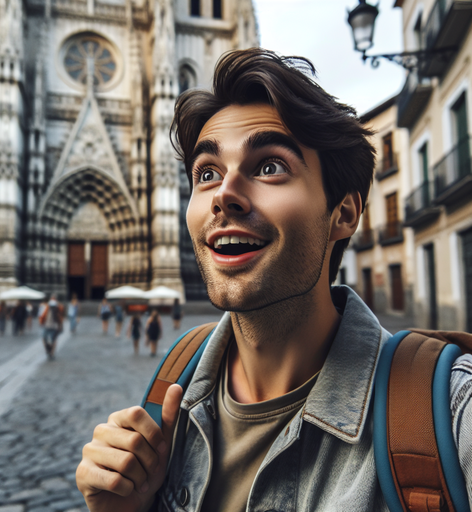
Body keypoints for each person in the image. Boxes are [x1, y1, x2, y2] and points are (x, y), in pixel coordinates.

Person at [76, 49, 472, 511]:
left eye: (269, 166)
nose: (224, 195)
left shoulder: (449, 412)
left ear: (343, 213)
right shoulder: (174, 392)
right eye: (207, 173)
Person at [39, 294, 64, 360]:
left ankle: (51, 353)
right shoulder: (47, 307)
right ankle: (48, 350)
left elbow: (61, 312)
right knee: (46, 338)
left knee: (53, 340)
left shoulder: (57, 307)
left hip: (53, 326)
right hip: (48, 325)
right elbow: (43, 315)